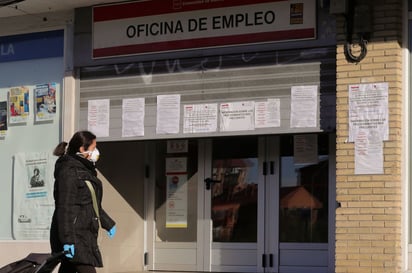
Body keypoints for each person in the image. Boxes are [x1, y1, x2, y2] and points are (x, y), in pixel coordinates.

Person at [50, 130, 116, 273]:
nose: (96, 151)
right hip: (75, 235)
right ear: (82, 149)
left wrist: (107, 223)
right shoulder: (69, 172)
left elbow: (92, 202)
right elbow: (64, 208)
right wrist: (67, 240)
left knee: (68, 268)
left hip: (84, 232)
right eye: (93, 148)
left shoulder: (85, 170)